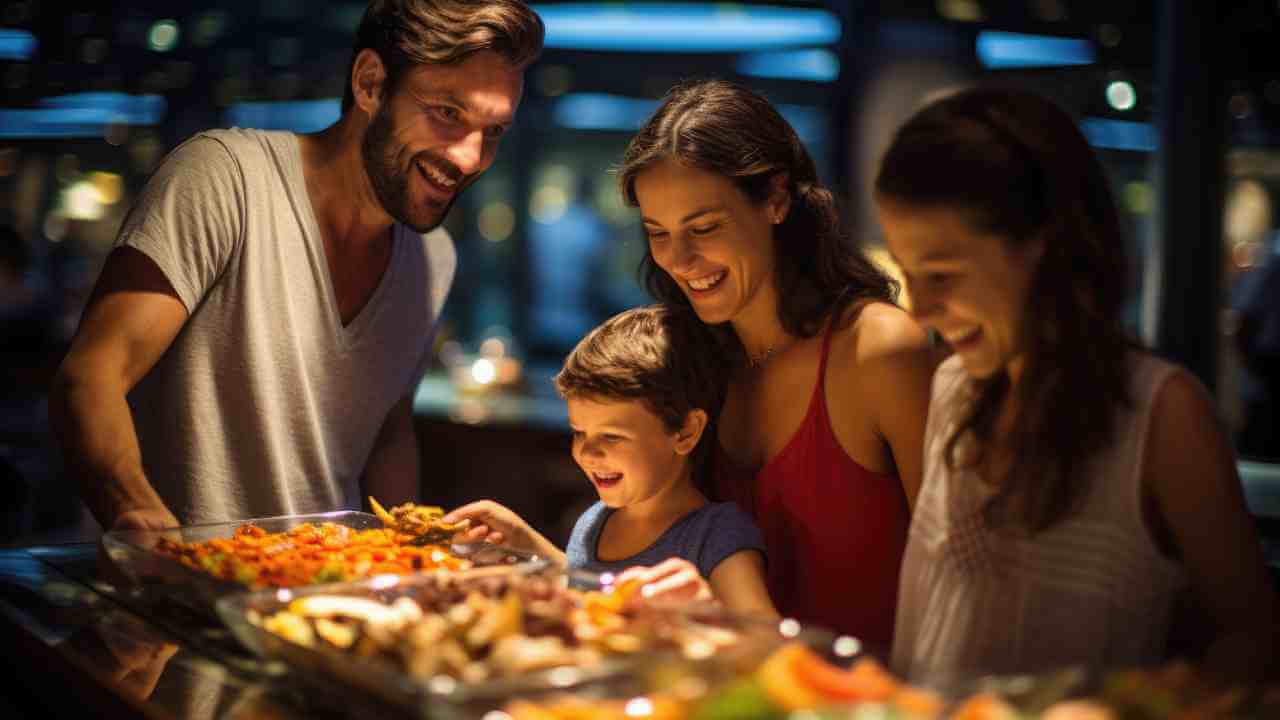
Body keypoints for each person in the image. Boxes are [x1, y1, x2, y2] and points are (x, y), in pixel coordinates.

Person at [48, 0, 545, 531]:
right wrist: (138, 516)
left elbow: (388, 431)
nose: (470, 158)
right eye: (448, 114)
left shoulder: (434, 256)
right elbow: (90, 378)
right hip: (175, 589)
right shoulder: (226, 177)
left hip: (327, 593)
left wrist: (405, 557)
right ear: (371, 84)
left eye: (493, 132)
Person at [875, 87, 1279, 681]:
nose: (920, 310)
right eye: (909, 276)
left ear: (1043, 246)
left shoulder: (1161, 414)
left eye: (941, 275)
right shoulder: (952, 389)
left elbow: (1255, 641)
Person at [609, 79, 938, 647]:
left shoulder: (880, 351)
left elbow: (955, 575)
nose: (679, 261)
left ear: (777, 199)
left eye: (705, 228)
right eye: (658, 234)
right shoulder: (691, 360)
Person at [442, 304, 777, 619]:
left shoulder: (716, 533)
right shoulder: (593, 522)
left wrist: (706, 610)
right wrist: (523, 543)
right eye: (578, 432)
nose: (587, 453)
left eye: (612, 437)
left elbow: (768, 637)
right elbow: (590, 590)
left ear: (686, 432)